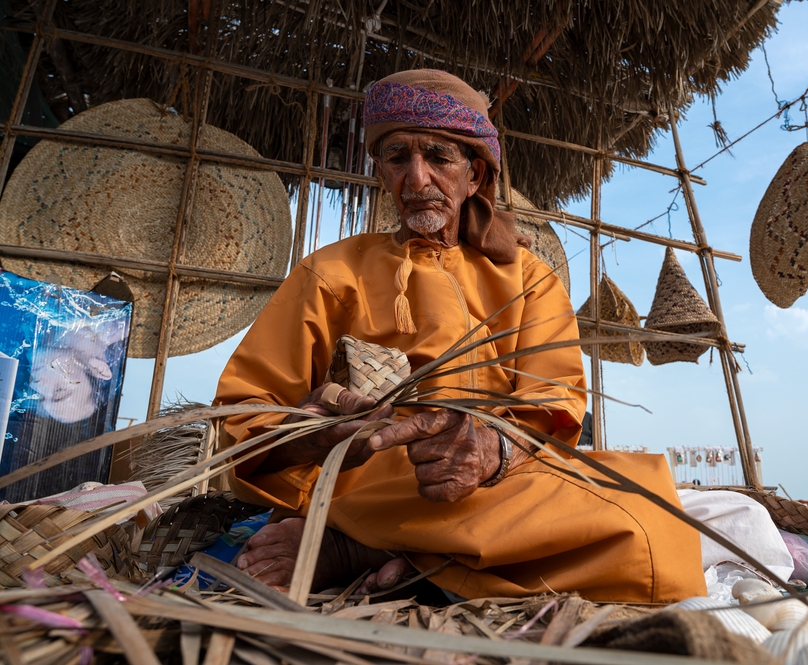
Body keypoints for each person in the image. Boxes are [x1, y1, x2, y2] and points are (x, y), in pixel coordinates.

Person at [214, 69, 706, 603]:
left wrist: (493, 447)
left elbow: (555, 399)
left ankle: (369, 553)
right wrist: (313, 433)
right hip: (370, 486)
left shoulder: (529, 279)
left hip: (498, 486)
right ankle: (383, 544)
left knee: (648, 515)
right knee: (640, 540)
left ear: (474, 175)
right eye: (397, 157)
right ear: (380, 171)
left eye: (439, 158)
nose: (417, 178)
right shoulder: (331, 273)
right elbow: (241, 415)